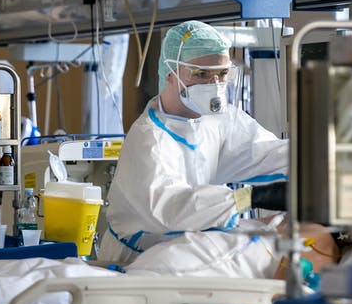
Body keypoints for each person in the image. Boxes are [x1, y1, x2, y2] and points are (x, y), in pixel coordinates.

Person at [98, 20, 294, 271]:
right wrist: (247, 198)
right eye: (201, 74)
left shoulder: (220, 121)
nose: (214, 84)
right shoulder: (150, 139)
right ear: (171, 73)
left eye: (223, 74)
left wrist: (324, 158)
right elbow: (170, 209)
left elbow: (268, 153)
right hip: (138, 261)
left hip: (191, 251)